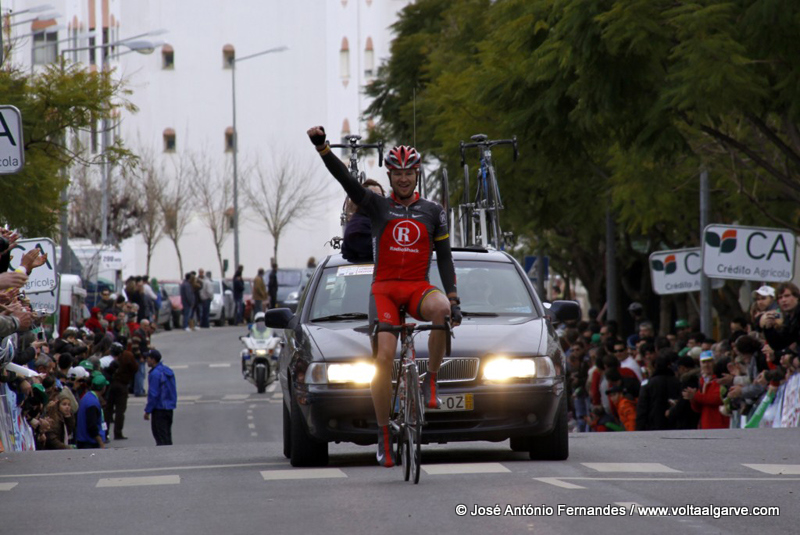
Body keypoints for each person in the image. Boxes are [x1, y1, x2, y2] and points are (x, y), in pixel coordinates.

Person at [308, 125, 461, 468]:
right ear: (389, 175)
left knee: (440, 310)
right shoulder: (377, 206)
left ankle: (431, 382)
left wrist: (453, 296)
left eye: (409, 173)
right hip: (385, 290)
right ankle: (384, 434)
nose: (404, 179)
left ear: (417, 174)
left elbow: (446, 258)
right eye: (398, 173)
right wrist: (323, 148)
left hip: (418, 286)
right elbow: (346, 181)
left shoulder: (434, 211)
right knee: (384, 358)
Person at [342, 179, 385, 263]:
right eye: (373, 196)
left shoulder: (383, 219)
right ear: (362, 199)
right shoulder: (357, 226)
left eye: (380, 195)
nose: (377, 199)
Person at [143, 349, 177, 446]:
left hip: (159, 409)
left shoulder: (155, 374)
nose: (146, 360)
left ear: (153, 360)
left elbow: (153, 394)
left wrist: (147, 410)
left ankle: (165, 458)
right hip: (169, 408)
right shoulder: (167, 370)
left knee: (160, 436)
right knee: (167, 435)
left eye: (148, 358)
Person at [106, 342, 138, 440]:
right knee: (120, 410)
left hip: (110, 384)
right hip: (122, 385)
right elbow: (135, 368)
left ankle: (105, 433)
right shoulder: (128, 355)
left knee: (108, 410)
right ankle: (118, 432)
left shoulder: (107, 357)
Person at [75, 374, 108, 449]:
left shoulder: (87, 396)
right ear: (103, 388)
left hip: (83, 440)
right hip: (89, 443)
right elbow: (92, 426)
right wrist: (101, 443)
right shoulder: (92, 403)